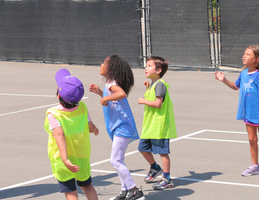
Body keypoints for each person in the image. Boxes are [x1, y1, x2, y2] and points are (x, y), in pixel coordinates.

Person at [215, 45, 259, 179]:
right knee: (251, 139)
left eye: (248, 54)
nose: (244, 56)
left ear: (257, 58)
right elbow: (236, 86)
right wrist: (223, 80)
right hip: (247, 112)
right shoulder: (243, 73)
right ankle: (255, 166)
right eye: (244, 54)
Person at [89, 55, 144, 200]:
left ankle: (134, 190)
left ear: (111, 68)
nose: (101, 64)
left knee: (115, 160)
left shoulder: (112, 83)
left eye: (104, 63)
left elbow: (121, 94)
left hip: (122, 127)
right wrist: (100, 93)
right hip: (117, 127)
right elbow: (112, 98)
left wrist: (105, 98)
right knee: (119, 159)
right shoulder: (109, 83)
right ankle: (125, 190)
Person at [44, 68, 100, 200]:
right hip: (81, 155)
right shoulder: (82, 107)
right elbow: (90, 127)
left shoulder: (53, 113)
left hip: (62, 157)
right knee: (87, 186)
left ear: (58, 95)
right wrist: (95, 129)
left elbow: (59, 135)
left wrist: (65, 159)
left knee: (70, 192)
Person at [137, 56, 177, 190]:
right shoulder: (154, 84)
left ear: (158, 70)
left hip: (159, 126)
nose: (145, 68)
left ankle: (167, 178)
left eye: (149, 66)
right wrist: (148, 88)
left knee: (162, 152)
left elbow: (158, 103)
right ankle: (155, 168)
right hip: (150, 125)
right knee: (142, 148)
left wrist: (143, 101)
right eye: (146, 65)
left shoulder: (160, 85)